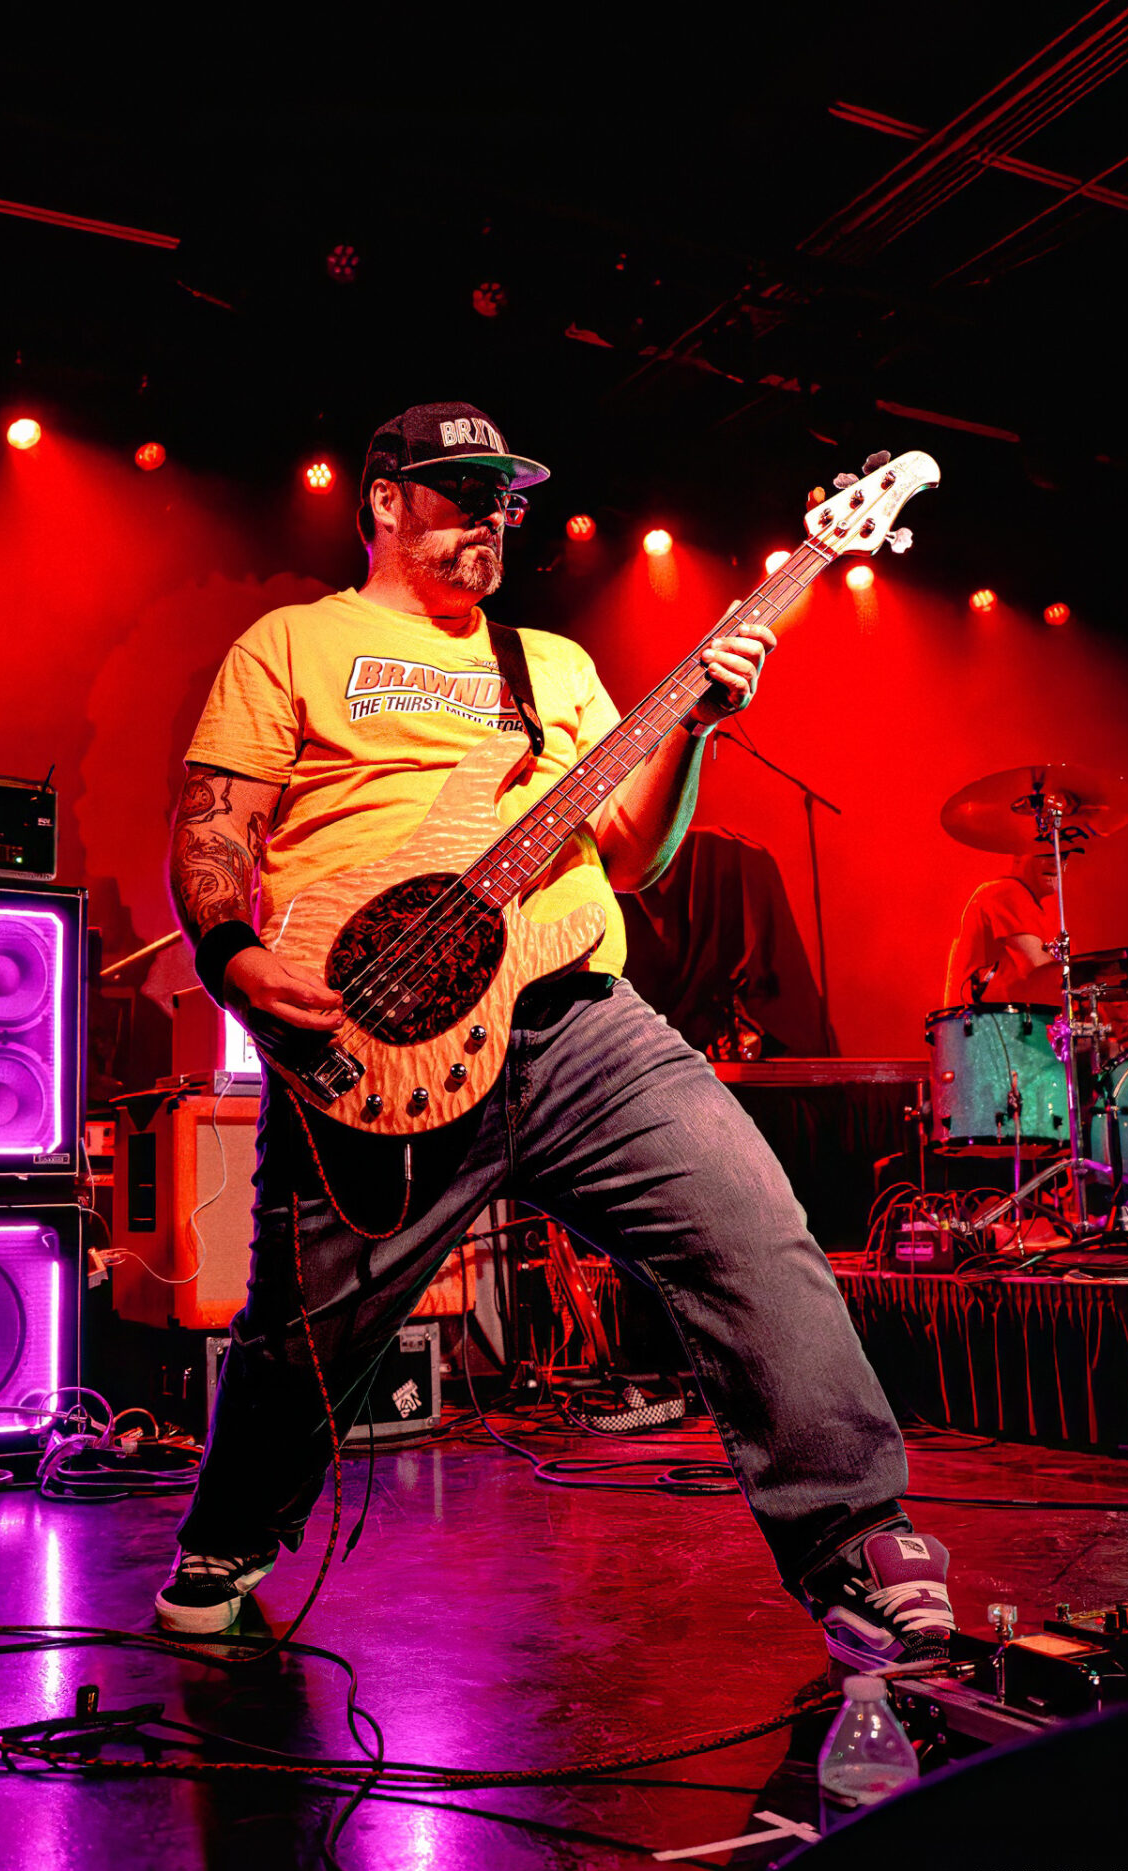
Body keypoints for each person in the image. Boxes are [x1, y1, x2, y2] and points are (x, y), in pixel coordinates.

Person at [158, 400, 955, 1671]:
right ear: (382, 501)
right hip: (378, 1028)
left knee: (754, 1228)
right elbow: (214, 820)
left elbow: (632, 857)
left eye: (505, 497)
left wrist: (692, 727)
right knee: (305, 1333)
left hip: (579, 1024)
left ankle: (855, 1543)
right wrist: (228, 954)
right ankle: (227, 1542)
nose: (492, 516)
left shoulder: (553, 667)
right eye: (461, 491)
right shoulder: (293, 643)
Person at [944, 850, 1062, 1006]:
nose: (1056, 862)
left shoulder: (1031, 904)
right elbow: (1039, 969)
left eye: (1063, 856)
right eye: (1045, 854)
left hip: (988, 1015)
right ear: (1018, 856)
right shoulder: (1008, 891)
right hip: (983, 1017)